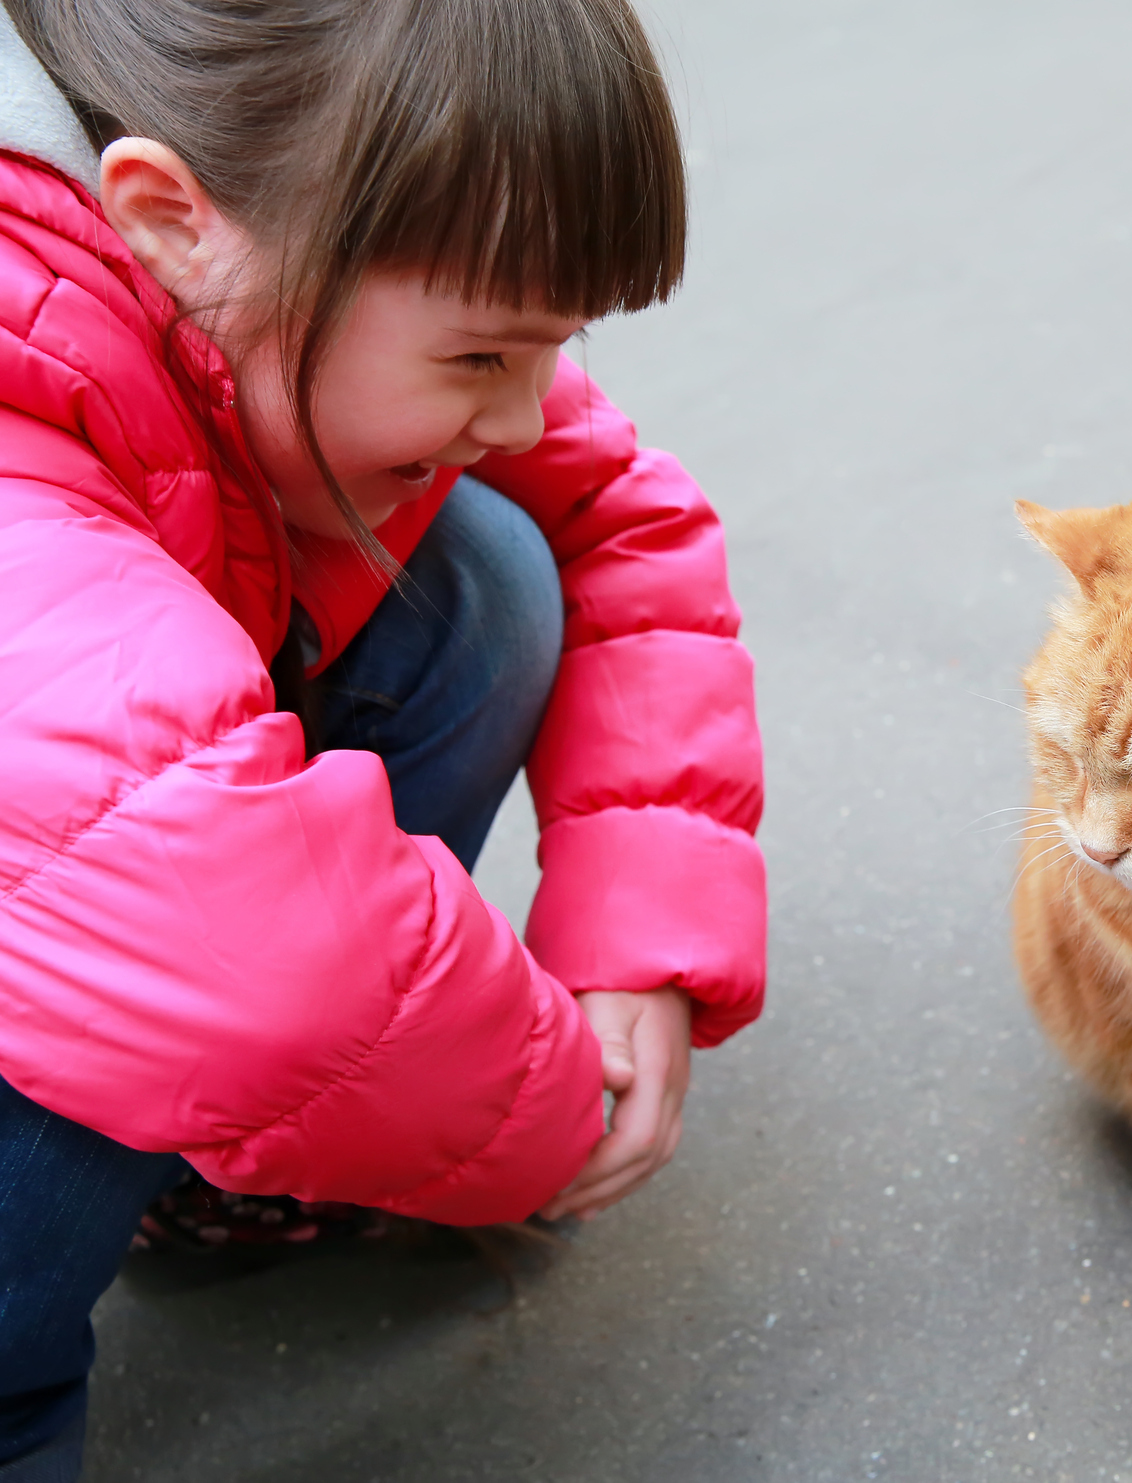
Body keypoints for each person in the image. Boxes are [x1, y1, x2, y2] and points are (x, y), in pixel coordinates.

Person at [0, 0, 767, 1476]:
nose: (529, 412)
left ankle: (215, 1171)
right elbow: (243, 949)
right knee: (115, 996)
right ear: (167, 217)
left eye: (553, 350)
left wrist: (640, 950)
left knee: (479, 570)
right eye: (483, 357)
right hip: (79, 882)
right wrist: (549, 1113)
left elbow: (629, 522)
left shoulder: (276, 225)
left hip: (97, 832)